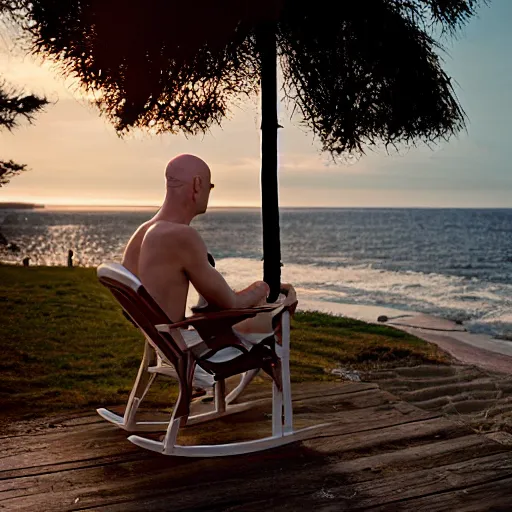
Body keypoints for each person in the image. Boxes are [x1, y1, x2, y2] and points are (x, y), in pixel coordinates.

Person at [122, 154, 296, 342]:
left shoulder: (142, 232)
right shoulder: (181, 236)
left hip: (160, 339)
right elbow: (231, 303)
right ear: (197, 185)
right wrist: (263, 288)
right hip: (185, 345)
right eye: (210, 186)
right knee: (283, 302)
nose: (209, 192)